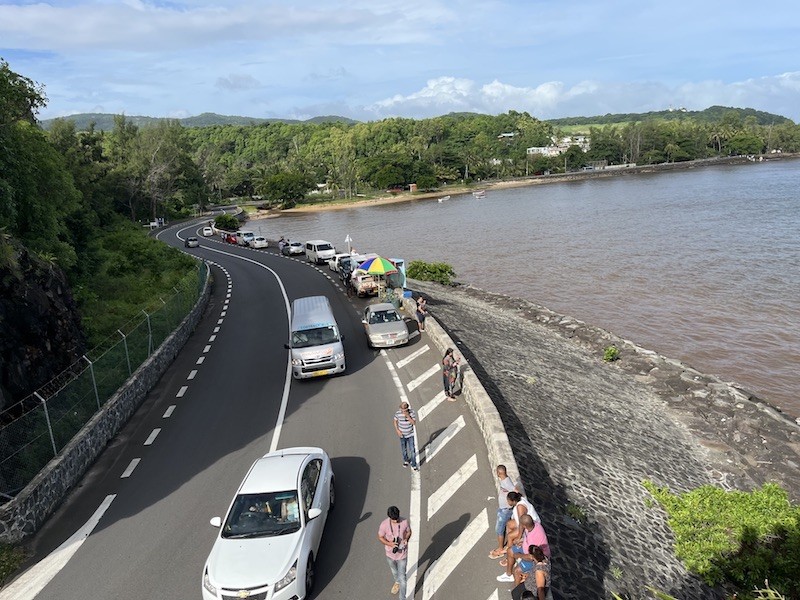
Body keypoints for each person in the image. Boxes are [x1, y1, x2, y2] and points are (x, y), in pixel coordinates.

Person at [497, 515, 550, 583]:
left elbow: (531, 557)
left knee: (517, 571)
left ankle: (517, 589)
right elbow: (523, 530)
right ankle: (508, 575)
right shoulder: (535, 524)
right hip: (527, 549)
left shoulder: (533, 540)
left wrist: (519, 555)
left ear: (524, 526)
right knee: (510, 551)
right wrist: (521, 540)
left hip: (537, 558)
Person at [378, 506, 412, 596]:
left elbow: (409, 532)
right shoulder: (384, 525)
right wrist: (390, 544)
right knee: (394, 571)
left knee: (403, 579)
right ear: (389, 517)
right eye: (393, 520)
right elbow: (380, 537)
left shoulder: (404, 521)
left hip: (402, 555)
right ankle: (397, 582)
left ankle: (402, 598)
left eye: (397, 519)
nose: (396, 521)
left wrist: (406, 539)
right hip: (390, 554)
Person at [489, 465, 520, 559]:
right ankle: (502, 547)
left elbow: (516, 492)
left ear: (498, 473)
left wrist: (511, 503)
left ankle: (500, 549)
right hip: (503, 509)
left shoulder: (507, 483)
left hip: (505, 511)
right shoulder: (505, 480)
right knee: (500, 529)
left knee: (499, 530)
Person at [394, 402, 418, 470]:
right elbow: (395, 421)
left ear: (407, 409)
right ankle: (406, 460)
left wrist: (408, 416)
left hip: (410, 434)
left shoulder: (412, 412)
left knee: (412, 450)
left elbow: (414, 423)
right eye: (402, 410)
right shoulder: (398, 413)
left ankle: (413, 464)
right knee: (404, 449)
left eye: (404, 410)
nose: (402, 411)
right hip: (402, 435)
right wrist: (397, 430)